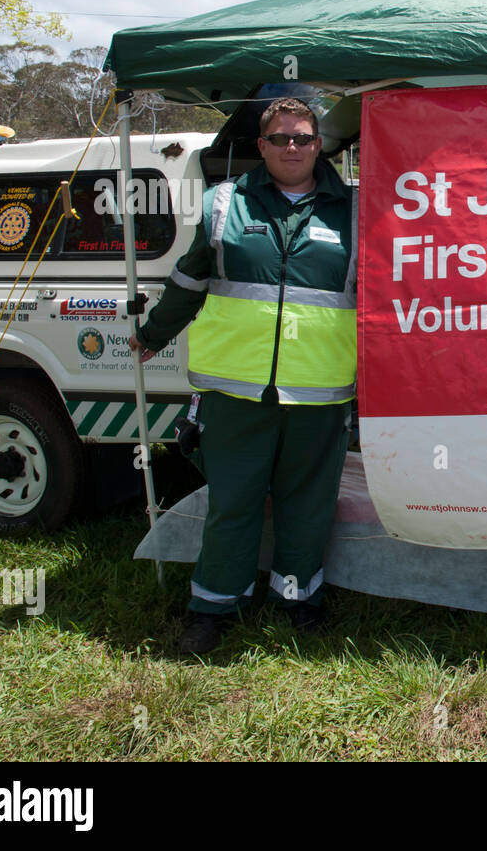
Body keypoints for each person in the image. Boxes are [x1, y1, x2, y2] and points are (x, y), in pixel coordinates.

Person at [130, 97, 356, 654]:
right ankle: (211, 609)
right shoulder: (223, 203)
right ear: (262, 145)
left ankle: (299, 601)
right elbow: (189, 281)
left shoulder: (355, 210)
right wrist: (153, 333)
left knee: (308, 507)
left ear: (319, 143)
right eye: (281, 139)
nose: (293, 148)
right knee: (233, 504)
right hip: (233, 390)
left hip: (319, 392)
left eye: (303, 138)